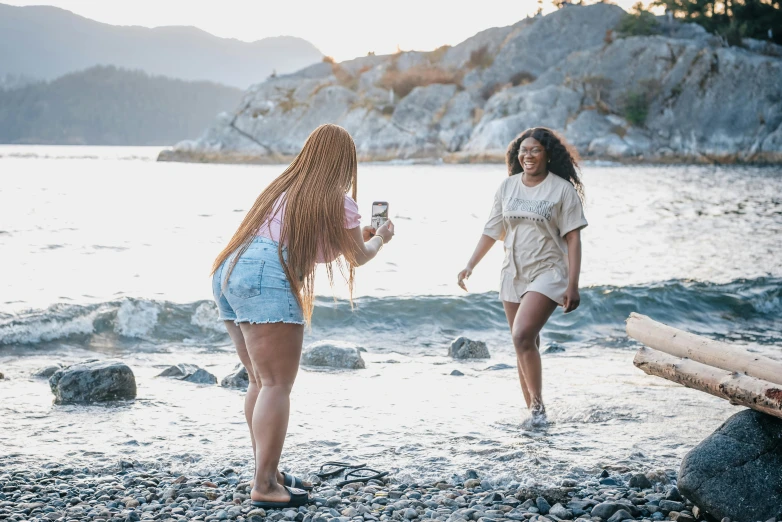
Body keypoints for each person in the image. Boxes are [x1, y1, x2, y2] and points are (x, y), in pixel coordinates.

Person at [211, 124, 395, 509]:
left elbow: (313, 246)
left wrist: (354, 235)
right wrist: (379, 238)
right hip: (263, 274)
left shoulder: (282, 188)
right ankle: (264, 483)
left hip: (229, 269)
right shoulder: (336, 199)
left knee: (261, 381)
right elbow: (359, 258)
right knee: (277, 384)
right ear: (345, 163)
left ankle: (269, 472)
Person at [457, 127, 586, 425]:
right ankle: (533, 415)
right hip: (512, 273)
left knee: (521, 335)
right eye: (523, 150)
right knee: (525, 344)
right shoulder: (507, 187)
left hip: (549, 272)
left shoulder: (561, 190)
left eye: (535, 150)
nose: (528, 155)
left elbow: (574, 240)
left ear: (547, 155)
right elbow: (492, 230)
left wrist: (573, 285)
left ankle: (538, 409)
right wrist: (470, 265)